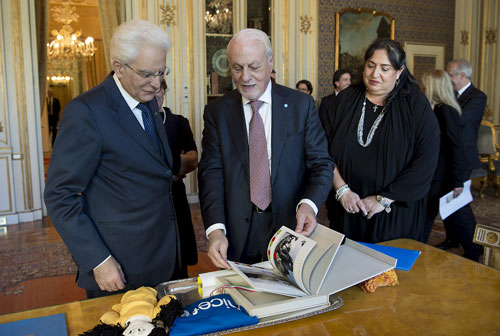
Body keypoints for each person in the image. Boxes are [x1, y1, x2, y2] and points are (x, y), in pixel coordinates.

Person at [44, 20, 181, 298]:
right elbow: (60, 196)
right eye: (146, 73)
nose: (156, 84)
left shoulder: (148, 101)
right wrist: (98, 260)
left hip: (165, 255)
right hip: (119, 265)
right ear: (119, 67)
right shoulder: (86, 112)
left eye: (160, 71)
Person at [198, 28, 333, 269]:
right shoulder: (217, 112)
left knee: (289, 298)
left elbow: (321, 164)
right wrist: (215, 230)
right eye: (237, 68)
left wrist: (308, 204)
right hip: (237, 230)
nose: (245, 77)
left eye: (254, 67)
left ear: (270, 63)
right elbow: (211, 173)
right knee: (241, 297)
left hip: (290, 222)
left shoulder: (300, 105)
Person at [323, 38, 440, 243]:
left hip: (393, 213)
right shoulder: (345, 99)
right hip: (347, 207)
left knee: (389, 274)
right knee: (346, 271)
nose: (375, 74)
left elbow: (426, 160)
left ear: (399, 72)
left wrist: (383, 199)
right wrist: (342, 189)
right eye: (371, 65)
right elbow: (322, 150)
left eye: (384, 68)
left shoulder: (415, 105)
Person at [438, 58, 487, 259]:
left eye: (449, 74)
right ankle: (452, 238)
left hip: (463, 158)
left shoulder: (477, 96)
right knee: (447, 198)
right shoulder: (451, 96)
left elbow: (460, 120)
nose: (447, 78)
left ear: (462, 76)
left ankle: (474, 248)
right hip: (448, 157)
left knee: (459, 203)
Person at [421, 70, 470, 246]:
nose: (422, 87)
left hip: (443, 174)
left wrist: (458, 180)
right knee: (431, 213)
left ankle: (474, 250)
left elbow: (456, 147)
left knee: (454, 215)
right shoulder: (436, 109)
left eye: (425, 84)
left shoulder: (445, 110)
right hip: (437, 173)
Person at [155, 79, 198, 277]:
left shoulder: (178, 122)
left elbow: (193, 159)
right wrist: (172, 165)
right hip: (148, 198)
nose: (154, 95)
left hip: (175, 194)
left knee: (179, 252)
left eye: (159, 90)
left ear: (164, 92)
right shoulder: (133, 123)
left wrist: (160, 168)